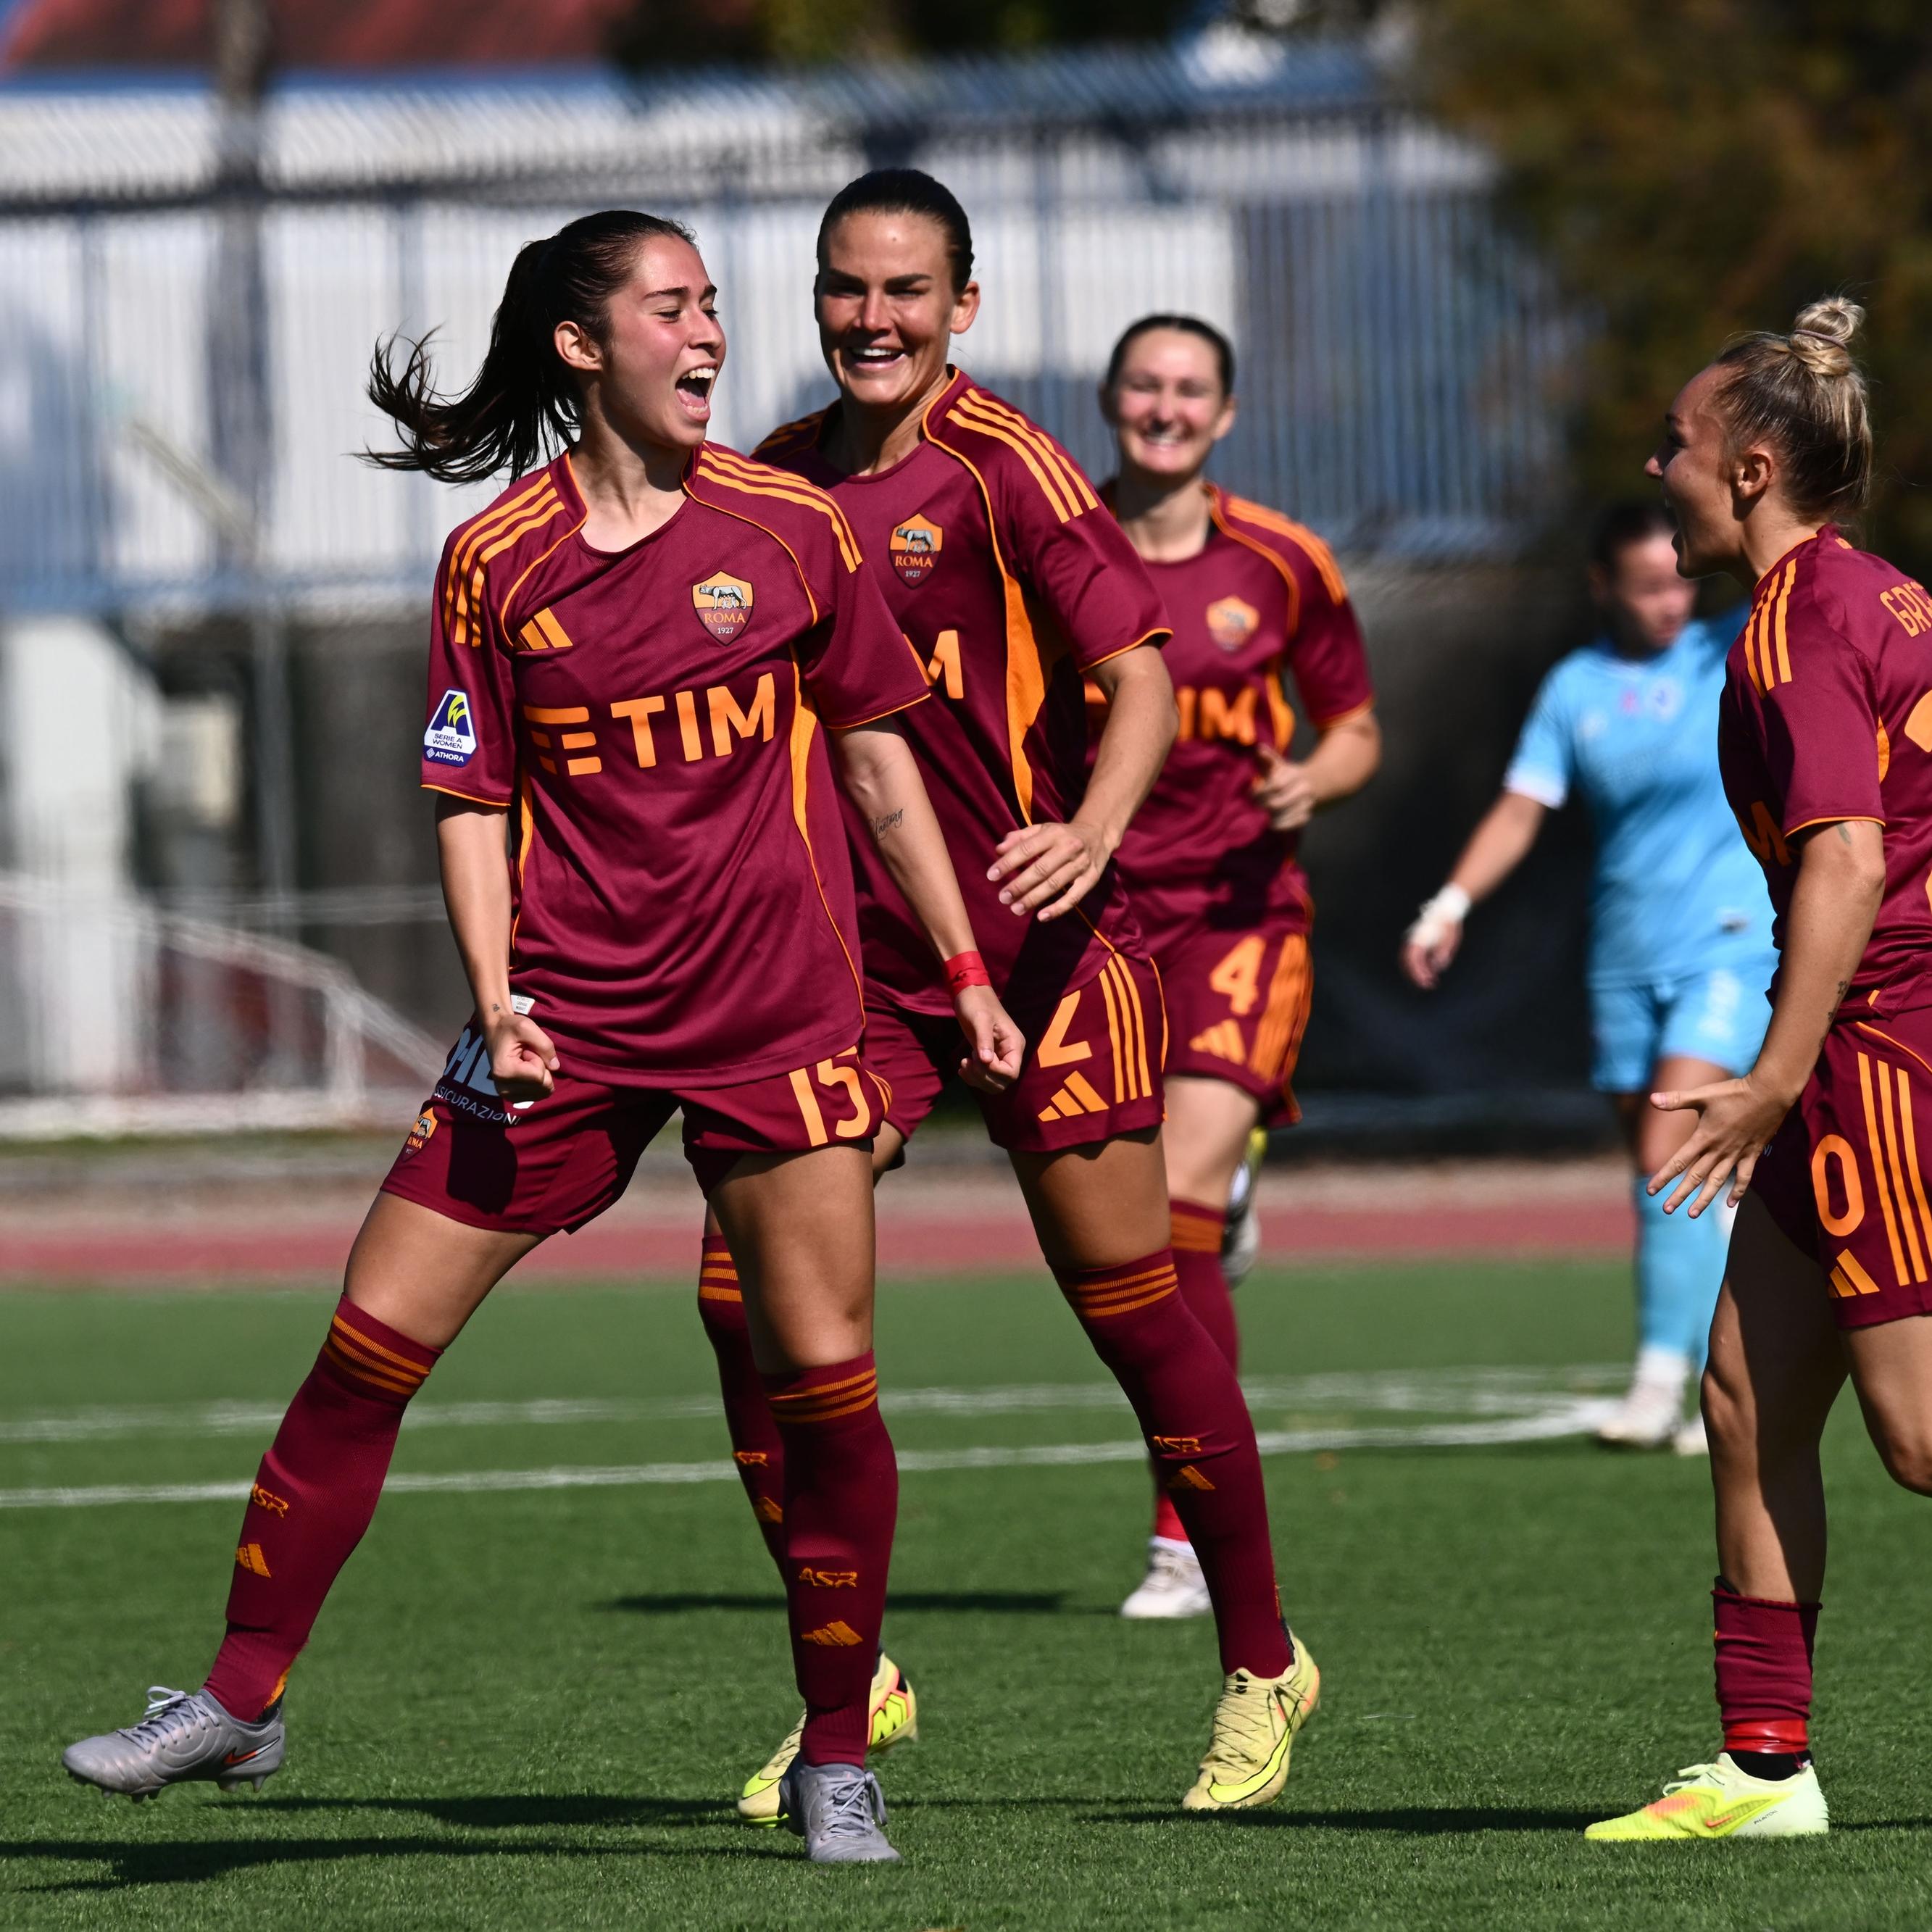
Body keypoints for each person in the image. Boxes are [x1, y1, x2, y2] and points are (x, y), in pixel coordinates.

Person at [59, 209, 1025, 1868]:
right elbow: (471, 798)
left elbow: (879, 760)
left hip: (776, 1021)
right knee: (368, 1342)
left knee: (821, 1390)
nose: (709, 335)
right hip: (566, 1024)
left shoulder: (791, 528)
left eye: (712, 307)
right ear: (582, 347)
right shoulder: (496, 558)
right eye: (671, 308)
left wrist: (960, 966)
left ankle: (837, 1754)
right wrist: (496, 992)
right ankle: (240, 1693)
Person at [696, 169, 1317, 1824]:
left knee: (1134, 1314)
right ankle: (851, 1679)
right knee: (736, 1300)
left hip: (1044, 959)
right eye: (846, 287)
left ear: (959, 306)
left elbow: (1142, 679)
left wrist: (1090, 831)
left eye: (905, 290)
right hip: (851, 971)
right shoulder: (775, 475)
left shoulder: (1006, 465)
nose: (873, 318)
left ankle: (1261, 1659)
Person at [1589, 298, 1932, 1840]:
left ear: (1749, 467)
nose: (1652, 464)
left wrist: (1778, 1074)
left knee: (1916, 1438)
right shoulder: (1876, 589)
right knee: (1741, 1390)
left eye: (1673, 441)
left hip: (1880, 1044)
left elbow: (1848, 861)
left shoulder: (1796, 623)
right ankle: (1765, 1768)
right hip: (1851, 1036)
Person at [1091, 314, 1379, 1617]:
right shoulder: (1054, 547)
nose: (1165, 406)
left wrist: (1312, 778)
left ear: (1225, 415)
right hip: (1096, 921)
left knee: (1176, 1206)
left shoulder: (1279, 560)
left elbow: (1356, 727)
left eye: (1189, 388)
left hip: (1238, 918)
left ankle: (1182, 1537)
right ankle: (1228, 1185)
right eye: (1145, 385)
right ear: (1113, 401)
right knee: (1121, 1232)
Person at [1402, 502, 1774, 1454]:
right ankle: (1727, 1372)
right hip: (1624, 958)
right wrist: (1448, 905)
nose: (1669, 602)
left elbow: (1797, 556)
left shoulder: (1734, 646)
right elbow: (1520, 808)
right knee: (1672, 1183)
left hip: (1730, 945)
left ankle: (1667, 1381)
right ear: (1601, 588)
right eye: (1645, 587)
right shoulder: (1576, 687)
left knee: (1667, 1153)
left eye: (1678, 581)